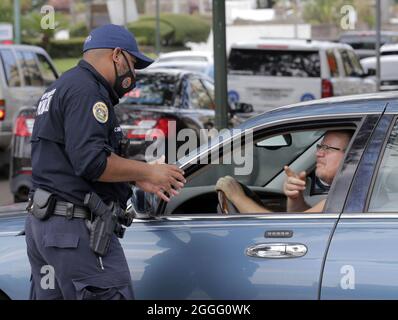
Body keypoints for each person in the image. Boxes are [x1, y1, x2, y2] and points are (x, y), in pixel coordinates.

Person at [25, 24, 186, 300]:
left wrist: (136, 176)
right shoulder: (87, 91)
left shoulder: (63, 85)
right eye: (133, 64)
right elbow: (91, 162)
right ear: (117, 55)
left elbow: (71, 160)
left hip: (48, 228)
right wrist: (150, 170)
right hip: (75, 232)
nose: (133, 74)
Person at [215, 130, 353, 214]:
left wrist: (237, 196)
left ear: (351, 156)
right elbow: (304, 223)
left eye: (327, 148)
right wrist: (295, 198)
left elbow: (284, 228)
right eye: (320, 147)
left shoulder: (349, 197)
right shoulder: (348, 193)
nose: (318, 153)